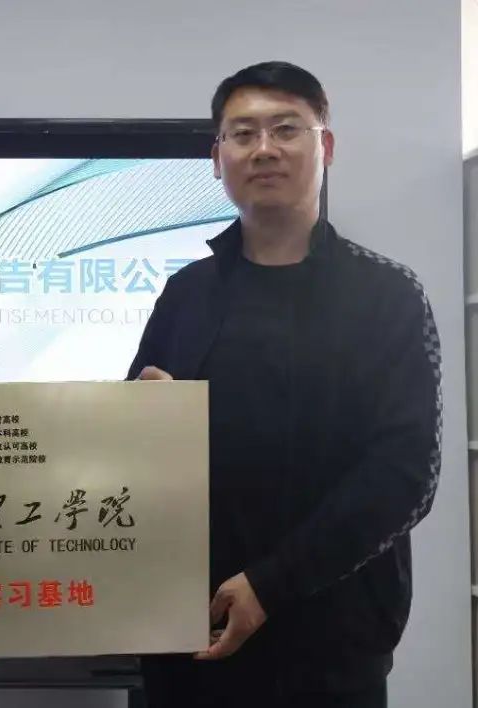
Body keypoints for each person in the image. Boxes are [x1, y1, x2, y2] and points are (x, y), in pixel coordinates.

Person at [129, 62, 441, 708]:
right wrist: (135, 416)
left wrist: (270, 585)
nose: (264, 149)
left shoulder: (386, 295)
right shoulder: (185, 294)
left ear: (325, 146)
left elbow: (407, 474)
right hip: (188, 637)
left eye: (286, 129)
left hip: (330, 645)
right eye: (242, 134)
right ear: (217, 159)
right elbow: (130, 448)